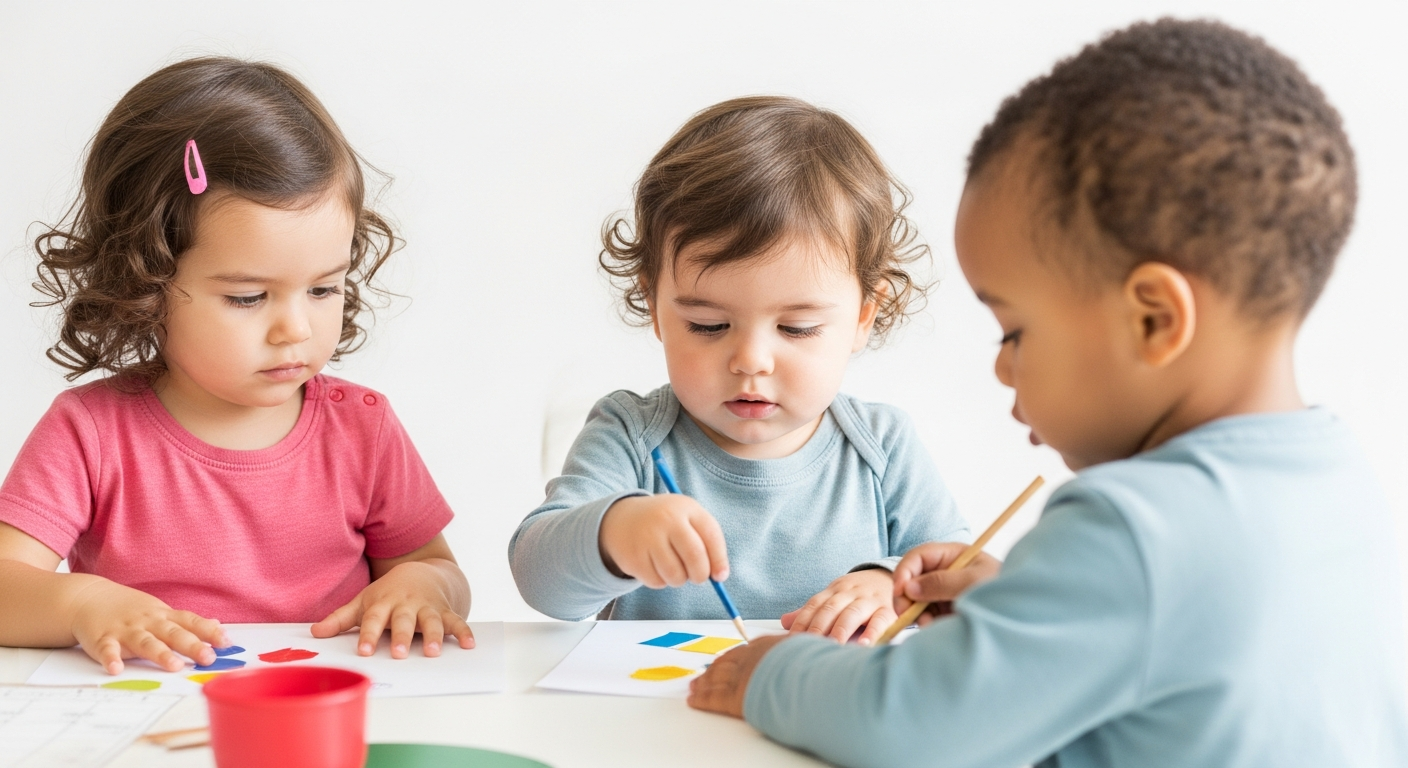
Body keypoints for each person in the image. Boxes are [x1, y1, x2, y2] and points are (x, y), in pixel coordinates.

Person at [687, 19, 1408, 768]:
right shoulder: (1340, 480)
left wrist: (772, 674)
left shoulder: (1129, 528)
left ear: (1154, 320)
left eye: (1014, 331)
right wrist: (1020, 612)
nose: (1003, 369)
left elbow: (908, 724)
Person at [0, 58, 473, 675]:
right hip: (157, 705)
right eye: (248, 298)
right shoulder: (90, 431)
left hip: (327, 700)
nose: (295, 329)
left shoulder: (363, 428)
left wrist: (423, 588)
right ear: (145, 282)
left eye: (324, 289)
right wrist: (82, 603)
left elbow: (438, 571)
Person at [509, 96, 980, 644]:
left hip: (825, 697)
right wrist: (614, 533)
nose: (751, 361)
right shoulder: (630, 436)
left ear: (862, 318)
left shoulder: (882, 447)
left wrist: (888, 584)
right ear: (655, 308)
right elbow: (541, 585)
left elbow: (956, 574)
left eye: (797, 328)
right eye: (708, 325)